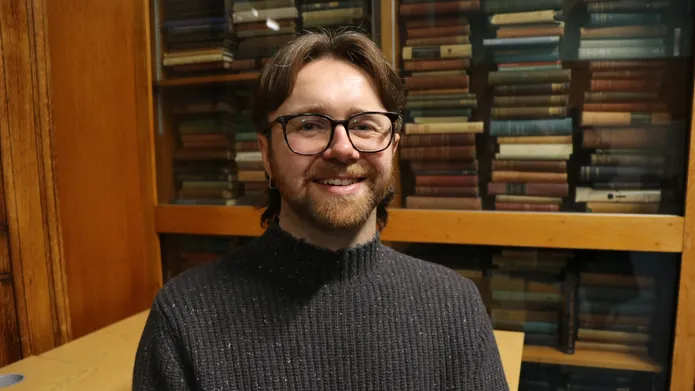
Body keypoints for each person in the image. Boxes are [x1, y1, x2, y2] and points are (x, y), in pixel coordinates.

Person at [132, 29, 509, 390]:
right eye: (310, 125)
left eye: (364, 125)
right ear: (266, 155)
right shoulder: (183, 318)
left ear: (393, 147)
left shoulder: (454, 307)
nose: (343, 148)